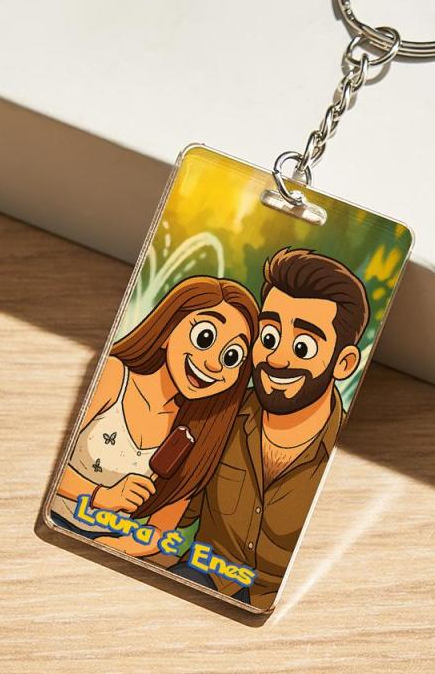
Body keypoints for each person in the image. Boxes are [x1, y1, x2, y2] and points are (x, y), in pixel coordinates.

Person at [170, 248, 370, 609]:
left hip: (302, 603)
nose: (277, 358)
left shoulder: (351, 458)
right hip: (197, 580)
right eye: (269, 337)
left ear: (344, 363)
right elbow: (173, 508)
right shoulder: (220, 417)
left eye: (303, 346)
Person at [49, 276, 258, 550]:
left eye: (231, 356)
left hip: (112, 544)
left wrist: (121, 547)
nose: (213, 365)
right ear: (168, 330)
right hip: (56, 519)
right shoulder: (114, 376)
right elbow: (50, 461)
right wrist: (102, 496)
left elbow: (160, 532)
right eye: (204, 338)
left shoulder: (197, 433)